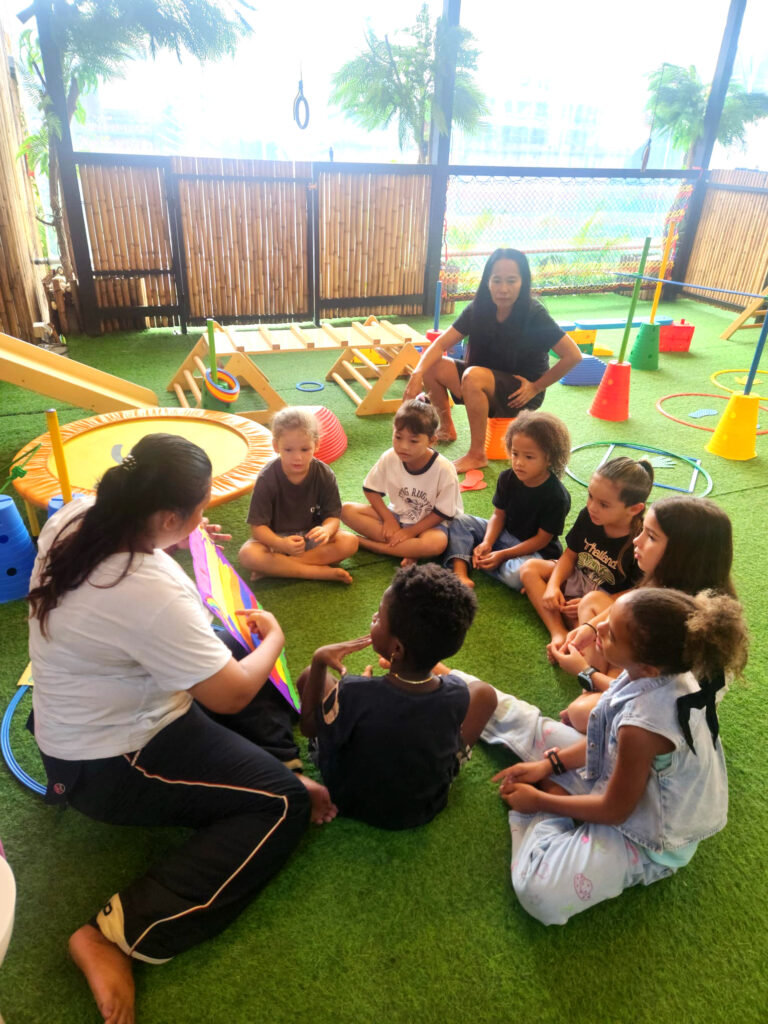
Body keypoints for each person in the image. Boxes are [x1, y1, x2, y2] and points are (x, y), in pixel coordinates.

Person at [27, 434, 334, 1024]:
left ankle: (274, 762)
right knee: (280, 804)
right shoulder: (147, 587)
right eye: (198, 509)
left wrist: (181, 539)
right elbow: (230, 693)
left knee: (225, 642)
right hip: (109, 760)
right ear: (167, 517)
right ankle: (114, 936)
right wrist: (276, 638)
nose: (204, 516)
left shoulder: (80, 513)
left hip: (92, 713)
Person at [484, 586, 748, 925]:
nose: (601, 626)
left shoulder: (644, 725)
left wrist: (540, 801)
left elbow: (614, 810)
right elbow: (605, 742)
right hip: (629, 779)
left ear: (648, 667)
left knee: (537, 893)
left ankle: (555, 805)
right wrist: (548, 764)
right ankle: (463, 690)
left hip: (649, 835)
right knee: (538, 732)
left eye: (612, 634)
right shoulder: (662, 669)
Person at [297, 564, 498, 830]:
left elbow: (309, 727)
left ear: (397, 649)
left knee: (309, 676)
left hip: (348, 797)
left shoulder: (351, 692)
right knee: (485, 693)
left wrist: (320, 659)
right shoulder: (456, 690)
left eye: (379, 617)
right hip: (422, 806)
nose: (373, 617)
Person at [553, 496, 737, 730]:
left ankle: (594, 697)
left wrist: (585, 672)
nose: (636, 541)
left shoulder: (679, 623)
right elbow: (618, 611)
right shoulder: (664, 582)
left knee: (581, 713)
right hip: (640, 673)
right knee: (592, 601)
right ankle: (596, 695)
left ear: (681, 554)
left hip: (658, 706)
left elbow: (651, 698)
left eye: (650, 536)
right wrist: (589, 628)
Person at [402, 248, 582, 473]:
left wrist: (536, 387)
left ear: (523, 282)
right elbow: (439, 345)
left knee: (473, 376)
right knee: (434, 366)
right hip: (480, 380)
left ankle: (477, 455)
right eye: (496, 280)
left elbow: (573, 355)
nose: (503, 289)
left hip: (519, 393)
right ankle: (446, 429)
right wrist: (417, 373)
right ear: (487, 281)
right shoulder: (478, 308)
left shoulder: (534, 313)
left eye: (511, 281)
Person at [519, 456, 654, 659]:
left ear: (634, 509)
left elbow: (637, 592)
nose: (592, 507)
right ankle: (558, 632)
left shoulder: (640, 539)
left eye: (604, 504)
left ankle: (571, 631)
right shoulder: (589, 516)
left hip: (604, 599)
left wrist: (586, 604)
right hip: (578, 577)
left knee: (587, 631)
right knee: (529, 569)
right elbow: (570, 554)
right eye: (590, 496)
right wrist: (553, 585)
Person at [444, 410, 571, 590]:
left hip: (535, 552)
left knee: (518, 575)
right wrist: (487, 542)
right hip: (504, 536)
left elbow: (541, 540)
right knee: (459, 521)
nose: (518, 462)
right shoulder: (507, 478)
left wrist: (502, 555)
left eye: (529, 457)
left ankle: (476, 557)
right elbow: (498, 515)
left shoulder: (557, 496)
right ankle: (460, 571)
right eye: (515, 453)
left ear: (549, 458)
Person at [239, 406, 358, 583]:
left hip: (311, 540)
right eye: (288, 450)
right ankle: (318, 572)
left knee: (349, 541)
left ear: (316, 445)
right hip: (276, 541)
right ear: (276, 446)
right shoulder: (267, 477)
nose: (297, 457)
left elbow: (333, 517)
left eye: (304, 449)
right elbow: (258, 528)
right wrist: (280, 543)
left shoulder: (324, 474)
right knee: (248, 554)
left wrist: (326, 530)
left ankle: (278, 568)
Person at [341, 399, 462, 566]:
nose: (403, 446)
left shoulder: (444, 469)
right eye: (398, 437)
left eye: (414, 441)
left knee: (435, 544)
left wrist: (411, 532)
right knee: (346, 510)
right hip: (398, 516)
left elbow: (443, 513)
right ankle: (408, 550)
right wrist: (388, 520)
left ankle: (369, 545)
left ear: (431, 440)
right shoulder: (390, 457)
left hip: (431, 524)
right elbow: (371, 490)